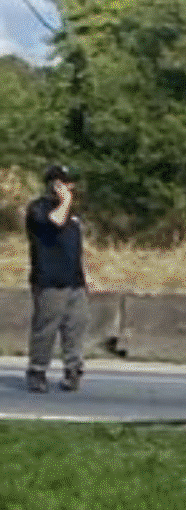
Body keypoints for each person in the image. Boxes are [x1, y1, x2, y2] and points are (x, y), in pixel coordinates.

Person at [26, 163, 88, 393]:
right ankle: (37, 370)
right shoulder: (38, 209)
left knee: (76, 326)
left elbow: (75, 247)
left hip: (74, 280)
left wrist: (86, 277)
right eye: (64, 183)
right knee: (46, 328)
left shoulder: (72, 215)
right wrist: (65, 201)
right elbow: (55, 222)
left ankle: (73, 371)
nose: (70, 187)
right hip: (49, 280)